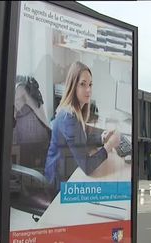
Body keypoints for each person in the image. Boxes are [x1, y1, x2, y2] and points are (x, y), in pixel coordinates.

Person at [44, 61, 120, 190]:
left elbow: (79, 139)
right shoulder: (68, 117)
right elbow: (87, 166)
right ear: (73, 86)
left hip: (68, 170)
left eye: (90, 84)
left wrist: (101, 138)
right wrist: (108, 146)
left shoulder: (74, 111)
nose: (88, 89)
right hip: (58, 182)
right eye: (83, 84)